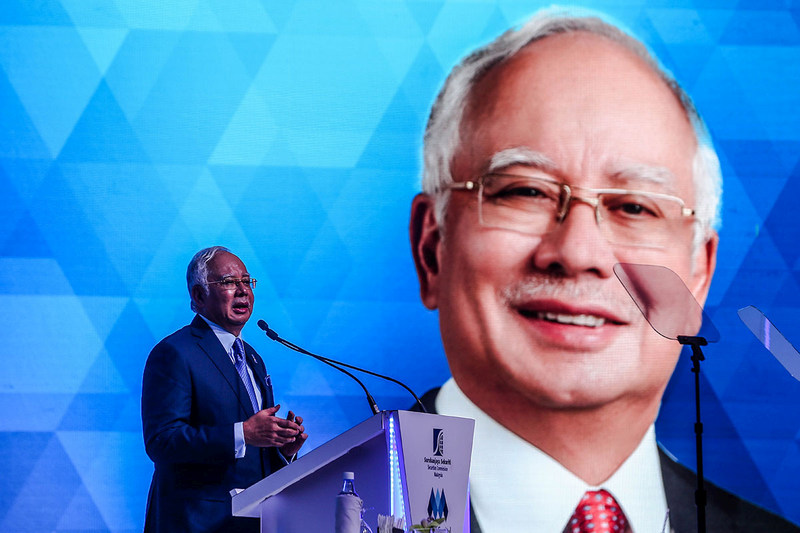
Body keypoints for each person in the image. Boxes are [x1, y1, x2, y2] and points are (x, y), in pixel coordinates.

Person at [408, 8, 799, 533]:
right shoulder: (311, 512)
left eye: (635, 207)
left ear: (698, 277)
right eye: (526, 191)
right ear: (432, 247)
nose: (577, 251)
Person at [141, 246, 308, 533]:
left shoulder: (253, 357)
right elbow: (162, 442)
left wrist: (281, 451)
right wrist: (244, 433)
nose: (243, 291)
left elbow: (250, 449)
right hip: (195, 523)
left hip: (251, 522)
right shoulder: (174, 353)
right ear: (199, 295)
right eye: (229, 282)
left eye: (247, 281)